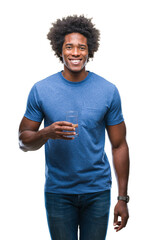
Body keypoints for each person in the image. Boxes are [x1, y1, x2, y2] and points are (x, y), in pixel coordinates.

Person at [19, 15, 130, 240]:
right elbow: (23, 142)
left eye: (82, 48)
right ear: (60, 50)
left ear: (90, 51)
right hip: (58, 192)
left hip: (97, 191)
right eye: (69, 47)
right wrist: (46, 133)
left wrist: (122, 198)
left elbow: (119, 145)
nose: (76, 53)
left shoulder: (108, 90)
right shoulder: (41, 89)